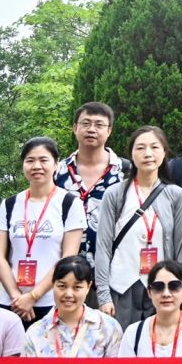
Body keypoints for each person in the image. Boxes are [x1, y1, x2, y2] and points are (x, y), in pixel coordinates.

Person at [93, 126, 182, 326]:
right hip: (121, 286)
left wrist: (181, 290)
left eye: (154, 147)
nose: (147, 154)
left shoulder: (175, 194)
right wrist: (103, 295)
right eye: (140, 148)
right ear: (131, 153)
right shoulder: (115, 194)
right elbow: (102, 246)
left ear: (164, 152)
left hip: (163, 289)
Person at [0, 136, 84, 325]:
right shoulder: (9, 204)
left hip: (52, 300)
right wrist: (16, 295)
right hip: (11, 301)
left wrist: (33, 296)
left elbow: (67, 257)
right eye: (30, 160)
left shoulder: (69, 203)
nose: (36, 166)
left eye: (43, 160)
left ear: (56, 164)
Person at [57, 101, 131, 258]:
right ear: (75, 128)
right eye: (85, 123)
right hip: (64, 263)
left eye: (99, 125)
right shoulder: (57, 172)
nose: (91, 129)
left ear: (109, 130)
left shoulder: (126, 172)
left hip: (112, 261)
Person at [23, 255, 123, 359]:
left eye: (77, 287)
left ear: (88, 287)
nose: (68, 294)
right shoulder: (35, 333)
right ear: (53, 285)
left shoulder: (108, 327)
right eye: (62, 286)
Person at [111, 260, 182, 357]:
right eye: (158, 286)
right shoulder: (133, 333)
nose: (166, 294)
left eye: (174, 286)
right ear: (149, 292)